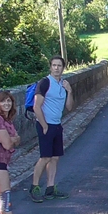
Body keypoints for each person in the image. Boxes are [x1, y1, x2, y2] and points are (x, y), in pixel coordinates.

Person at [29, 55, 74, 202]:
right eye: (54, 65)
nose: (56, 68)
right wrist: (44, 125)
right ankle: (34, 187)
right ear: (50, 67)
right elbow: (37, 106)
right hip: (45, 125)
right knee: (45, 157)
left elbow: (69, 107)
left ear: (63, 68)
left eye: (59, 66)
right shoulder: (45, 83)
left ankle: (50, 188)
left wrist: (70, 91)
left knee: (55, 158)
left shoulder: (63, 84)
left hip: (57, 125)